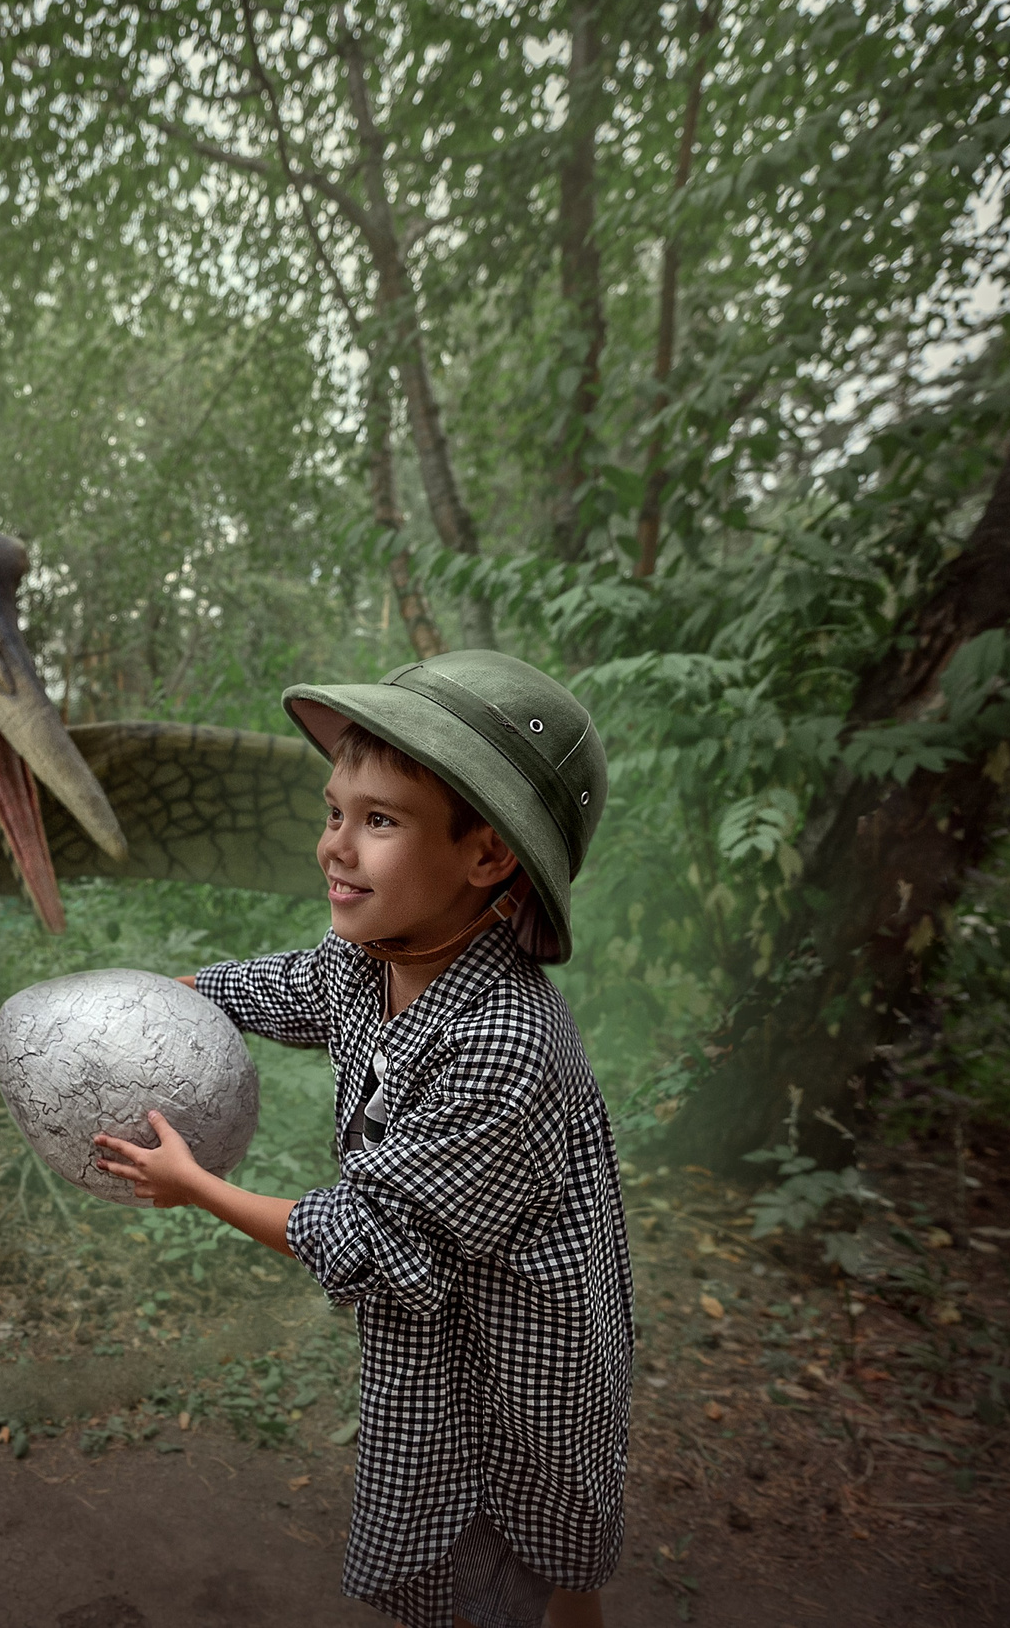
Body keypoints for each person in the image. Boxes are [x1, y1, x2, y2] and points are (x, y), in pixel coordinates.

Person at [93, 651, 632, 1628]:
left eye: (379, 819)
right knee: (540, 1559)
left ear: (487, 854)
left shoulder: (504, 1044)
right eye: (335, 811)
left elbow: (373, 1236)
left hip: (516, 1356)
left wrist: (196, 1185)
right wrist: (162, 994)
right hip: (454, 1317)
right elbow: (281, 985)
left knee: (509, 1535)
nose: (335, 846)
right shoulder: (369, 957)